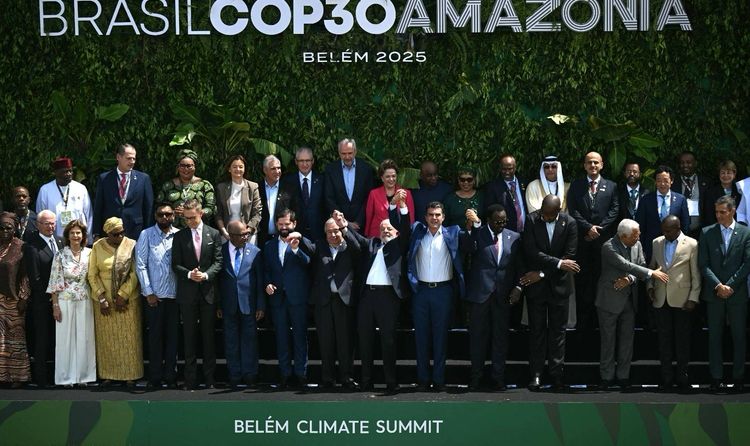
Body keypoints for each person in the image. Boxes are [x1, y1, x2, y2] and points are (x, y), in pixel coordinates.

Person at [596, 219, 668, 389]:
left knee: (627, 341)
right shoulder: (609, 247)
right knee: (608, 341)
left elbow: (639, 265)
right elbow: (625, 264)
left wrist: (629, 279)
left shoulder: (637, 244)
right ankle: (606, 377)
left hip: (629, 300)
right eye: (635, 235)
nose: (639, 237)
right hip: (609, 300)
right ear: (623, 236)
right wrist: (651, 273)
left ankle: (623, 376)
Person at [299, 211, 364, 391]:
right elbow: (308, 248)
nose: (333, 234)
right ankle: (327, 378)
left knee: (345, 342)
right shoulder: (320, 246)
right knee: (325, 341)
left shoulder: (350, 246)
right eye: (329, 231)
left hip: (344, 301)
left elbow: (359, 249)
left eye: (336, 230)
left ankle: (347, 377)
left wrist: (345, 226)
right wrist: (298, 236)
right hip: (324, 301)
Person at [461, 204, 522, 391]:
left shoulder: (514, 237)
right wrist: (473, 226)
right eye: (497, 222)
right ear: (488, 220)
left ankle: (498, 378)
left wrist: (518, 287)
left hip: (502, 296)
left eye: (504, 222)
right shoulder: (478, 234)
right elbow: (467, 247)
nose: (501, 225)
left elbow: (518, 265)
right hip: (480, 296)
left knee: (500, 339)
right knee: (477, 339)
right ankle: (476, 378)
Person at [522, 195, 579, 391]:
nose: (544, 217)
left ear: (558, 210)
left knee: (558, 333)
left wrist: (542, 273)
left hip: (559, 286)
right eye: (543, 213)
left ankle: (557, 375)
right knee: (536, 332)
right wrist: (558, 263)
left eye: (548, 215)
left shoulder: (570, 223)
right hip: (536, 289)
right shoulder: (531, 220)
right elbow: (531, 251)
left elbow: (570, 257)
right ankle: (536, 374)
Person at [407, 201, 465, 391]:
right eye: (431, 214)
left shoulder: (453, 232)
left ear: (443, 217)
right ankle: (423, 380)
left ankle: (439, 380)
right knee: (421, 337)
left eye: (438, 214)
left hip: (443, 291)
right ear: (425, 217)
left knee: (440, 338)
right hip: (421, 291)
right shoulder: (417, 232)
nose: (434, 218)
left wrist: (476, 223)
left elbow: (473, 242)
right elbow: (401, 225)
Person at [351, 207, 411, 392]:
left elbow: (405, 227)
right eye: (382, 228)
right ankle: (366, 381)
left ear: (396, 232)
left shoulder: (399, 245)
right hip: (367, 297)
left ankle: (390, 382)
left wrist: (399, 208)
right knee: (365, 340)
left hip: (388, 297)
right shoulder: (373, 244)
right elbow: (356, 239)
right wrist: (344, 225)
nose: (385, 231)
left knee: (388, 340)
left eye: (389, 228)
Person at [699, 196, 750, 392]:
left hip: (737, 295)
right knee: (714, 337)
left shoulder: (745, 233)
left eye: (723, 212)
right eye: (716, 212)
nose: (718, 215)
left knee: (739, 337)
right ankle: (716, 378)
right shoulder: (707, 232)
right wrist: (718, 286)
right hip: (714, 294)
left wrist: (730, 285)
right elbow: (703, 264)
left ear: (732, 211)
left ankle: (738, 378)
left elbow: (747, 263)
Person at [171, 199, 223, 390]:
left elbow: (218, 261)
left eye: (192, 217)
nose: (189, 222)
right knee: (189, 338)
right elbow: (175, 264)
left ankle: (210, 379)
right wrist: (189, 274)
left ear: (201, 214)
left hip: (208, 293)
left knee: (209, 338)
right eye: (186, 218)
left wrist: (206, 275)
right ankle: (190, 379)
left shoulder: (214, 234)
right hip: (188, 293)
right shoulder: (179, 236)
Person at [87, 217, 143, 387]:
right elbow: (92, 274)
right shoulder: (97, 246)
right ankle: (107, 375)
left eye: (122, 232)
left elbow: (135, 272)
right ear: (107, 234)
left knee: (129, 339)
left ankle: (130, 375)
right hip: (104, 303)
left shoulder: (131, 245)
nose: (120, 236)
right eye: (115, 234)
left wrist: (123, 295)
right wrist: (101, 297)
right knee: (107, 340)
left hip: (128, 301)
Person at [567, 151, 619, 329]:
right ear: (584, 165)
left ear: (602, 165)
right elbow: (573, 210)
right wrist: (588, 227)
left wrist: (599, 229)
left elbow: (614, 210)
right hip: (583, 241)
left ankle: (601, 323)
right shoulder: (576, 185)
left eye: (596, 162)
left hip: (603, 244)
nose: (593, 165)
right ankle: (583, 326)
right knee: (583, 284)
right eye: (589, 162)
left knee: (602, 281)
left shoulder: (611, 186)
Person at [647, 215, 700, 392]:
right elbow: (651, 267)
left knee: (682, 341)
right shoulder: (657, 242)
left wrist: (693, 297)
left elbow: (695, 274)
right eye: (663, 230)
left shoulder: (691, 244)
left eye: (669, 230)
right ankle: (666, 379)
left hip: (683, 299)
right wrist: (650, 287)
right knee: (664, 341)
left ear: (678, 228)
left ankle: (682, 378)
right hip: (661, 298)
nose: (665, 233)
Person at [263, 209, 311, 388]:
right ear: (276, 225)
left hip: (297, 297)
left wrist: (296, 249)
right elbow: (266, 269)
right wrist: (267, 283)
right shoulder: (269, 246)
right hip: (277, 298)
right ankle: (285, 374)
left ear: (294, 224)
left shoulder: (302, 242)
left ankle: (301, 374)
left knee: (300, 337)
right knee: (281, 338)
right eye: (281, 224)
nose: (284, 227)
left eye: (287, 224)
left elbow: (309, 263)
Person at [135, 204, 180, 390]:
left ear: (173, 216)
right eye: (161, 214)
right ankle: (154, 377)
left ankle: (171, 376)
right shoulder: (146, 235)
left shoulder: (179, 235)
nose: (164, 217)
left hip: (175, 297)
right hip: (155, 297)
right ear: (155, 215)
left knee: (173, 339)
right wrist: (149, 292)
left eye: (168, 214)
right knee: (155, 338)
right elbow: (140, 264)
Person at [46, 219, 95, 387]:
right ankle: (65, 377)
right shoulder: (60, 255)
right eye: (72, 233)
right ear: (67, 236)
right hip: (64, 300)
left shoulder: (90, 253)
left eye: (78, 233)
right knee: (65, 340)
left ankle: (83, 377)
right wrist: (55, 306)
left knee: (85, 338)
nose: (75, 236)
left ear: (83, 235)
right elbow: (54, 281)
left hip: (85, 300)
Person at [218, 220, 265, 389]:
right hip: (228, 304)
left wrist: (260, 305)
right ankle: (234, 375)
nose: (246, 237)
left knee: (250, 341)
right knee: (231, 341)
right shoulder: (221, 251)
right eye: (242, 235)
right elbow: (217, 281)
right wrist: (218, 305)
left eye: (247, 234)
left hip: (249, 305)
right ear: (231, 236)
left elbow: (259, 280)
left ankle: (250, 374)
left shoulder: (255, 252)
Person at [24, 209, 62, 388]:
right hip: (42, 302)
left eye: (53, 223)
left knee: (57, 340)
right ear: (38, 225)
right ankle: (41, 379)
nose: (50, 226)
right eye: (46, 223)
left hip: (61, 301)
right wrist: (50, 297)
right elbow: (35, 278)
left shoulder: (60, 241)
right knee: (42, 340)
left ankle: (58, 376)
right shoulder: (31, 246)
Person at [92, 143, 154, 240]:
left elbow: (148, 208)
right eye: (128, 158)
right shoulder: (104, 179)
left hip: (135, 232)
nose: (132, 161)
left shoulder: (143, 179)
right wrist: (96, 233)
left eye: (134, 159)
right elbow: (98, 207)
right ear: (118, 157)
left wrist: (148, 233)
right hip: (110, 233)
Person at [0, 212, 31, 388]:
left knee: (15, 340)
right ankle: (2, 376)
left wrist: (24, 297)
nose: (5, 231)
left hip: (14, 301)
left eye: (8, 228)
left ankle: (18, 376)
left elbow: (25, 275)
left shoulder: (21, 247)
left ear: (14, 229)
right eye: (1, 228)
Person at [635, 166, 690, 263]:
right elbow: (640, 225)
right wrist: (641, 248)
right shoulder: (646, 200)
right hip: (651, 246)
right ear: (655, 182)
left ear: (671, 181)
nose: (662, 184)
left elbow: (685, 224)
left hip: (675, 245)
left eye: (665, 180)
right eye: (659, 180)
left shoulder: (680, 199)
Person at [324, 138, 375, 231]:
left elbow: (369, 197)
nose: (347, 157)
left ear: (355, 152)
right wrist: (343, 221)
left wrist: (359, 221)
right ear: (339, 153)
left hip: (361, 224)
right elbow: (329, 198)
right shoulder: (331, 170)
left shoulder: (366, 169)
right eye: (343, 154)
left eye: (350, 153)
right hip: (339, 225)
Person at [157, 148, 216, 229]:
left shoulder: (205, 185)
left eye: (189, 166)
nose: (186, 169)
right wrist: (172, 212)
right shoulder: (168, 186)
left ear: (195, 167)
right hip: (172, 231)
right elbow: (159, 207)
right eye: (182, 166)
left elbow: (211, 209)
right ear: (178, 167)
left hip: (197, 230)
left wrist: (192, 213)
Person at [36, 156, 92, 239]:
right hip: (54, 238)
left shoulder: (81, 188)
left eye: (70, 171)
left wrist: (88, 238)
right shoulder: (45, 190)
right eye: (65, 171)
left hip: (77, 238)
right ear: (56, 172)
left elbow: (88, 214)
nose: (69, 174)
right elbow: (41, 216)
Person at [215, 155, 262, 244]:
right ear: (229, 169)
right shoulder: (221, 188)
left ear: (244, 169)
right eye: (234, 167)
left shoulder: (253, 187)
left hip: (248, 234)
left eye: (241, 167)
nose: (238, 169)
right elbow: (218, 214)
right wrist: (224, 232)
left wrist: (248, 230)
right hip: (227, 234)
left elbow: (257, 213)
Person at [281, 147, 326, 240]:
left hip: (319, 234)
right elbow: (285, 207)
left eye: (307, 160)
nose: (305, 164)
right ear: (296, 162)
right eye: (301, 161)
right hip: (296, 234)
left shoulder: (322, 180)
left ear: (312, 161)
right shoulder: (287, 181)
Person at [364, 159, 415, 237]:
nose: (391, 179)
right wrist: (367, 235)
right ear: (382, 178)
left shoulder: (406, 194)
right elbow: (369, 217)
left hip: (398, 237)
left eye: (393, 176)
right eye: (387, 176)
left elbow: (411, 218)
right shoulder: (373, 194)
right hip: (377, 235)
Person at [258, 155, 295, 246]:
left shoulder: (289, 188)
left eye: (279, 168)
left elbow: (294, 211)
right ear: (265, 170)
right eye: (273, 169)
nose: (277, 171)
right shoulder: (257, 188)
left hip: (283, 237)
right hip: (261, 238)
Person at [484, 154, 527, 233]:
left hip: (526, 231)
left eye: (510, 169)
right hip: (506, 232)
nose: (507, 172)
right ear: (500, 168)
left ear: (515, 168)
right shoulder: (493, 187)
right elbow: (490, 212)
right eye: (504, 169)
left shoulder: (524, 182)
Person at [671, 151, 709, 238]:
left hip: (701, 231)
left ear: (695, 163)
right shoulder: (673, 183)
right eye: (682, 163)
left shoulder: (705, 182)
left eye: (688, 162)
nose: (685, 165)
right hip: (679, 231)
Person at [703, 160, 741, 227]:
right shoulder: (710, 192)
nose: (725, 175)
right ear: (719, 174)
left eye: (728, 173)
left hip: (737, 229)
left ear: (734, 174)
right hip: (717, 228)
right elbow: (709, 216)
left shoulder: (740, 191)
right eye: (723, 173)